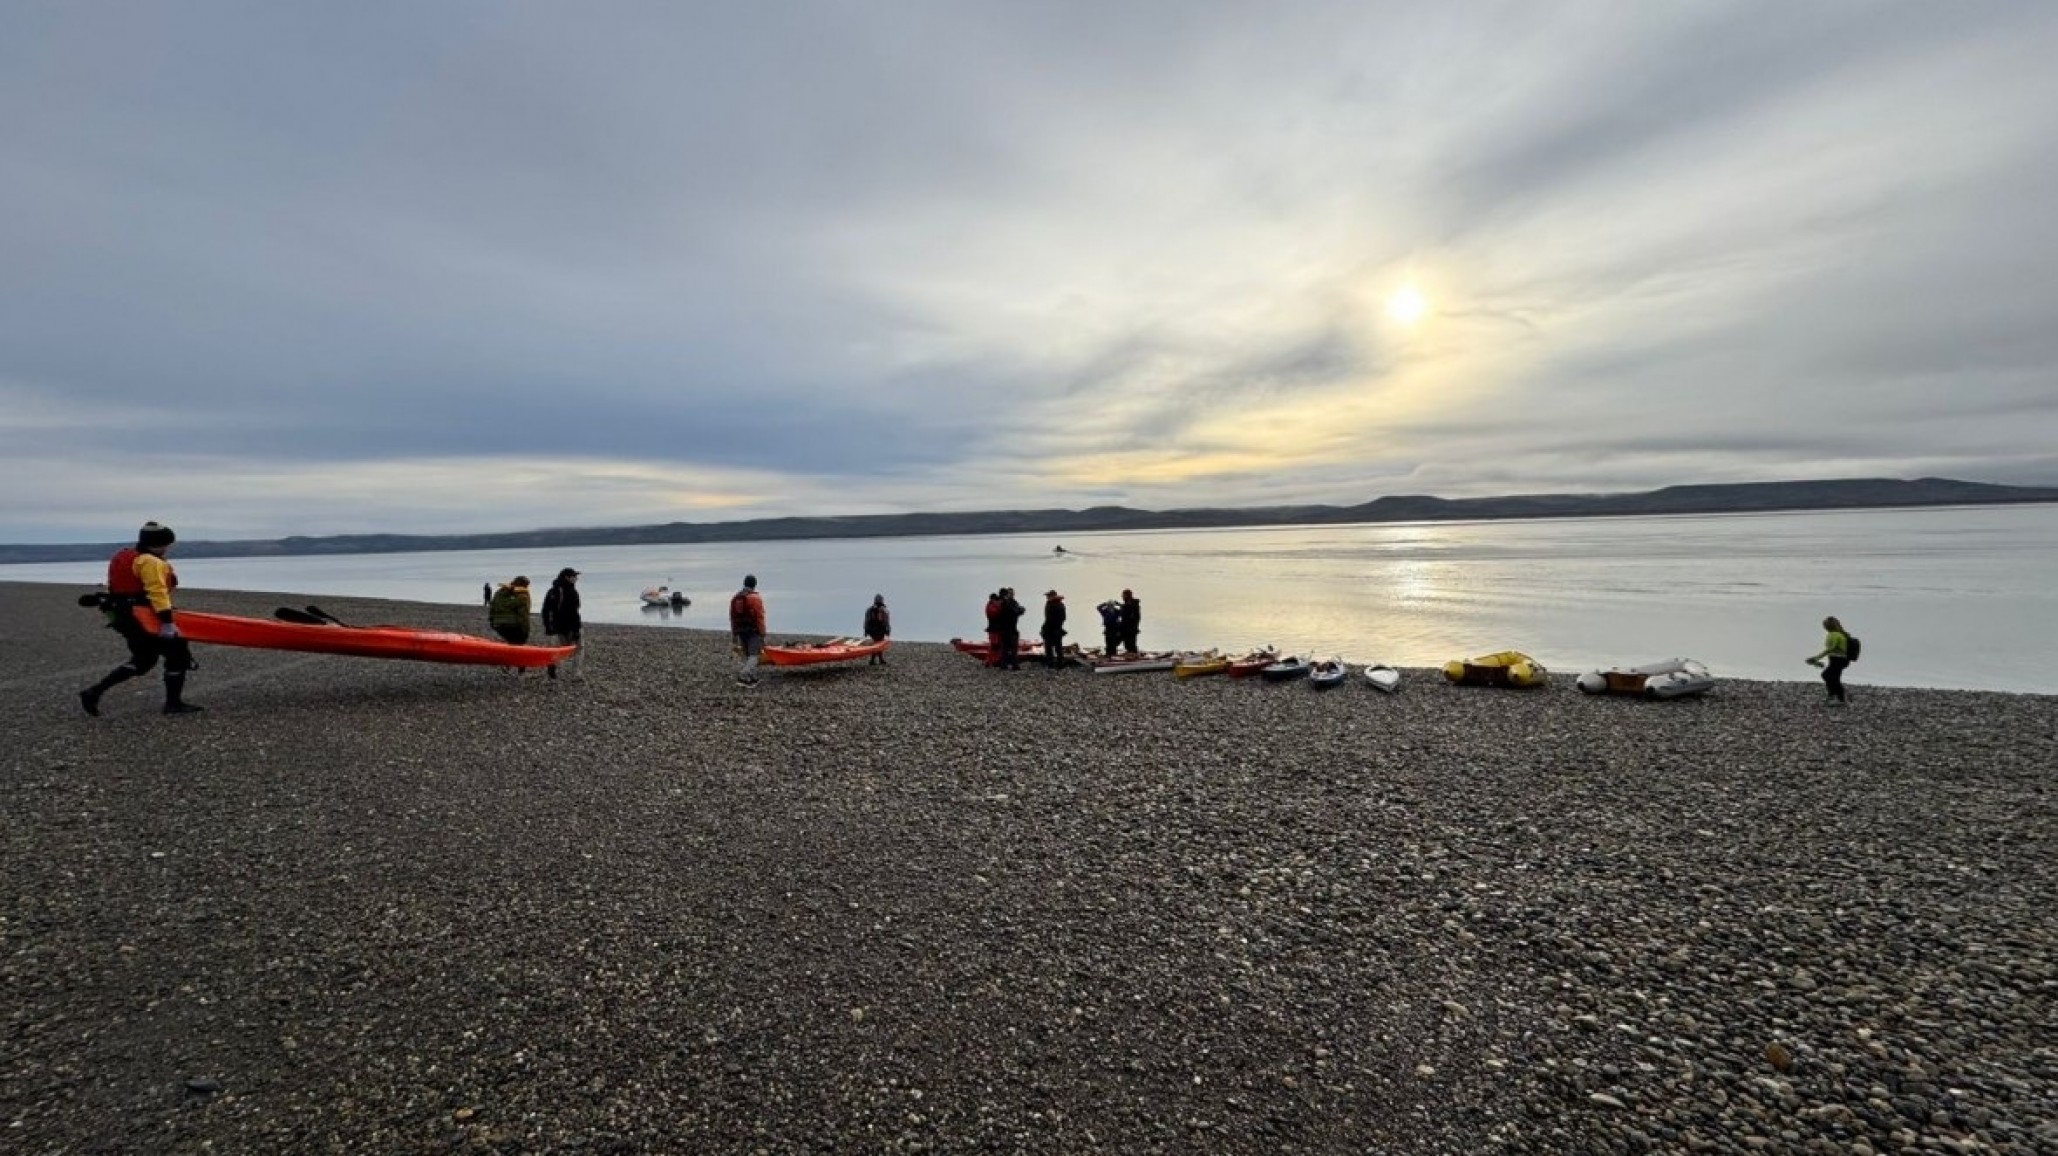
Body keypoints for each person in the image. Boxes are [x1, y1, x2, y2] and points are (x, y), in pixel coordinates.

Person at [79, 521, 202, 715]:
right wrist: (168, 622)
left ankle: (94, 692)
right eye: (167, 544)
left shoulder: (124, 557)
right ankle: (173, 704)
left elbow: (119, 588)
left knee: (144, 660)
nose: (168, 548)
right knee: (177, 655)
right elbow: (157, 593)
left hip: (125, 617)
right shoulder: (150, 562)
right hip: (146, 618)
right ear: (160, 543)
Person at [540, 567, 582, 680]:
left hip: (559, 627)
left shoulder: (553, 591)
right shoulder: (568, 592)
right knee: (577, 649)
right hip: (565, 627)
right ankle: (574, 674)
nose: (576, 578)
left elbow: (545, 610)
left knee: (559, 650)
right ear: (567, 577)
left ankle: (554, 669)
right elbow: (574, 613)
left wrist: (548, 626)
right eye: (574, 576)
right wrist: (576, 630)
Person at [1805, 615, 1853, 705]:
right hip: (1841, 660)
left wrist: (1816, 658)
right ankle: (1836, 697)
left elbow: (1830, 649)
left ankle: (1838, 697)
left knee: (1827, 675)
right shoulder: (1841, 634)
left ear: (1828, 626)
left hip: (1838, 660)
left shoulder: (1833, 635)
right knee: (1834, 677)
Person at [730, 574, 767, 686]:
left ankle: (751, 678)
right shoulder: (755, 598)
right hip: (753, 630)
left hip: (740, 630)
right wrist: (762, 632)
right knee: (755, 655)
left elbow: (732, 617)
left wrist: (734, 633)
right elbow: (760, 616)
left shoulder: (735, 598)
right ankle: (743, 675)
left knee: (747, 654)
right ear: (754, 585)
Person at [489, 577, 532, 647]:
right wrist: (526, 630)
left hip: (497, 623)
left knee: (512, 640)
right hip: (513, 625)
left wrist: (492, 622)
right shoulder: (523, 596)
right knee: (520, 641)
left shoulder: (500, 593)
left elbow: (492, 608)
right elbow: (523, 615)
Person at [995, 587, 1026, 671]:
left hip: (1008, 628)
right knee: (1012, 648)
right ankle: (1013, 665)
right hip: (1009, 629)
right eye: (1010, 593)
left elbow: (1017, 611)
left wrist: (1020, 610)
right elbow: (1015, 611)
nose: (1011, 595)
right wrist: (1021, 610)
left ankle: (1005, 665)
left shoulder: (1009, 602)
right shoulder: (1007, 603)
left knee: (1006, 648)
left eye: (1012, 593)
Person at [1040, 589, 1067, 670]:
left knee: (1048, 647)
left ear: (1052, 596)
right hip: (1058, 628)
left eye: (1048, 596)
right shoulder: (1061, 604)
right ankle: (1060, 663)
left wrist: (1044, 628)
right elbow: (1064, 618)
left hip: (1050, 629)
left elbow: (1048, 618)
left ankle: (1050, 664)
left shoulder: (1050, 604)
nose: (1047, 597)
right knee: (1058, 647)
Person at [862, 594, 891, 665]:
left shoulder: (869, 609)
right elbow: (886, 621)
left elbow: (866, 621)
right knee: (878, 644)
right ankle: (876, 660)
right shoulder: (884, 610)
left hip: (872, 630)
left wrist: (866, 630)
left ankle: (876, 660)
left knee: (876, 643)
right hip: (880, 630)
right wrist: (888, 630)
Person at [1119, 588, 1142, 655]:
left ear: (1126, 595)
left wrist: (1134, 627)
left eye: (1123, 595)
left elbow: (1135, 617)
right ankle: (1130, 652)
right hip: (1125, 627)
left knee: (1131, 643)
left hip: (1130, 628)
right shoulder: (1127, 604)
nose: (1122, 597)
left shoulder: (1132, 605)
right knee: (1126, 642)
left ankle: (1133, 654)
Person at [983, 591, 1003, 667]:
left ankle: (994, 660)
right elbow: (995, 614)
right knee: (994, 645)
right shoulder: (991, 606)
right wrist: (999, 606)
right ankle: (990, 661)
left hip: (995, 629)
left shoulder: (990, 605)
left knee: (997, 645)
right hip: (993, 629)